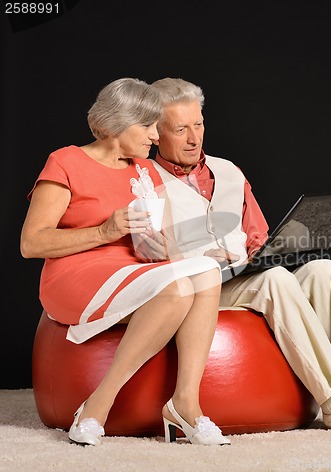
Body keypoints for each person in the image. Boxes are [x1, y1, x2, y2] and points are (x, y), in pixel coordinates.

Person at [149, 77, 331, 434]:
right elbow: (147, 258)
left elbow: (258, 238)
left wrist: (279, 249)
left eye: (199, 125)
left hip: (245, 275)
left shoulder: (229, 171)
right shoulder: (145, 181)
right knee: (274, 279)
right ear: (156, 132)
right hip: (199, 292)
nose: (194, 138)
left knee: (323, 270)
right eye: (180, 129)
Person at [20, 78, 231, 446]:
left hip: (136, 272)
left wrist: (175, 248)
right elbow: (31, 242)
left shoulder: (144, 171)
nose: (155, 136)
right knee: (179, 286)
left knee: (202, 272)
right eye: (149, 126)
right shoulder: (66, 160)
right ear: (120, 123)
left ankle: (185, 403)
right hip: (75, 276)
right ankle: (98, 404)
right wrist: (104, 231)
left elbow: (162, 248)